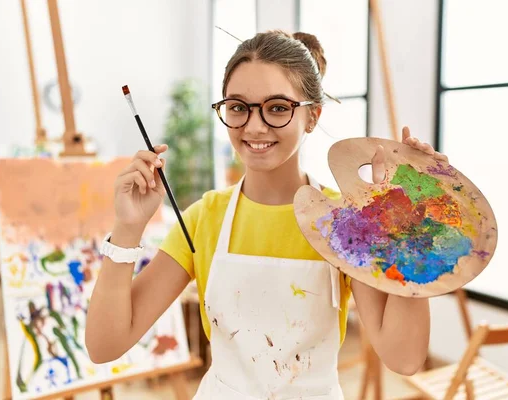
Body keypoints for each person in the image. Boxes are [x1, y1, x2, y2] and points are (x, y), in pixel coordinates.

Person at [85, 30, 448, 399]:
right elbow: (104, 346)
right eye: (238, 107)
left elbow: (403, 358)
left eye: (277, 108)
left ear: (312, 116)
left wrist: (411, 232)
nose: (254, 126)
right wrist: (128, 227)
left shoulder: (347, 221)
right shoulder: (204, 218)